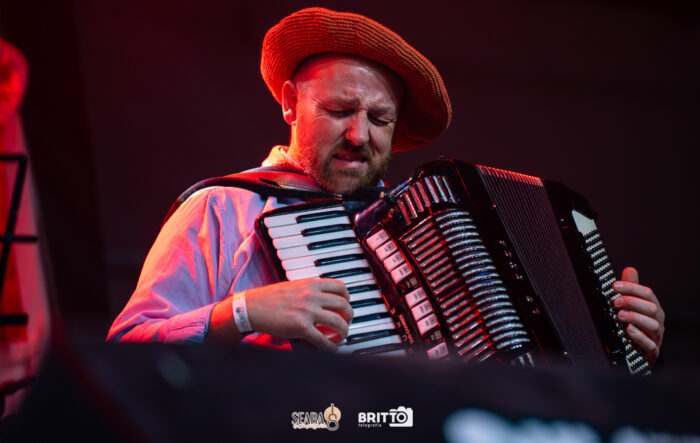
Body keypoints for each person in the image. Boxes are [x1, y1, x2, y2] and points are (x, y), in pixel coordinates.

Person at [107, 8, 665, 365]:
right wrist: (242, 315)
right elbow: (124, 350)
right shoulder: (221, 207)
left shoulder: (429, 230)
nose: (359, 135)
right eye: (339, 110)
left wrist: (625, 341)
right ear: (290, 103)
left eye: (379, 119)